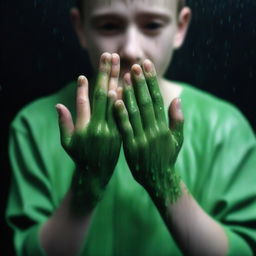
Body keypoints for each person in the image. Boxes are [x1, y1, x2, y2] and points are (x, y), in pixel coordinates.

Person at [6, 0, 256, 255]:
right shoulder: (34, 125)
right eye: (109, 26)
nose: (131, 50)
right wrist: (88, 182)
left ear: (180, 27)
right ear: (80, 28)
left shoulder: (224, 128)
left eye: (152, 25)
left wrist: (164, 181)